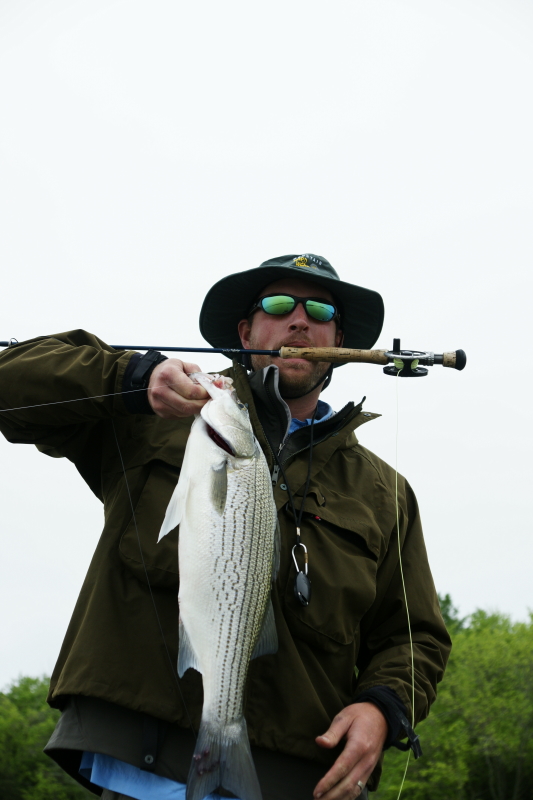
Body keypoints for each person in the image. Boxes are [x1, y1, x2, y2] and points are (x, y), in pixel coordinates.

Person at [0, 253, 450, 800]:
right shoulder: (155, 414)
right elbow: (11, 384)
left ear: (340, 340)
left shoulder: (386, 493)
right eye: (279, 304)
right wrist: (130, 376)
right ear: (245, 331)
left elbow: (415, 637)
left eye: (321, 309)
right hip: (143, 769)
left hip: (299, 780)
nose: (300, 320)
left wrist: (385, 706)